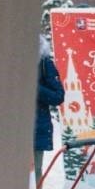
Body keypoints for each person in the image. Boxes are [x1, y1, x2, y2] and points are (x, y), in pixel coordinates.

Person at [34, 33, 64, 179]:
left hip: (36, 130)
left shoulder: (45, 64)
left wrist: (35, 88)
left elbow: (58, 96)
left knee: (33, 173)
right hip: (10, 129)